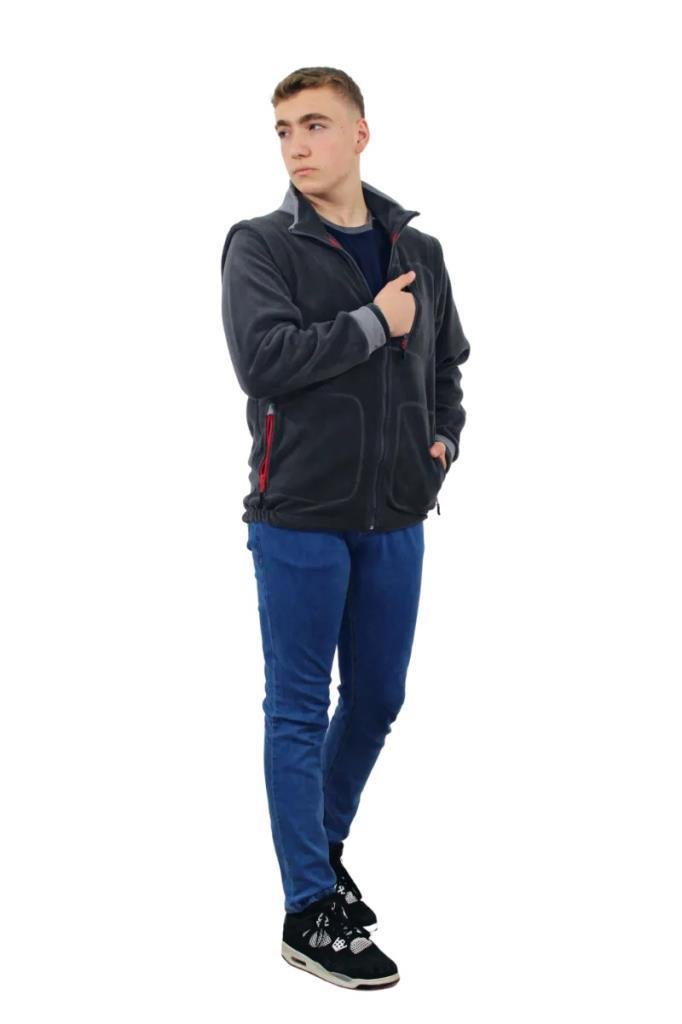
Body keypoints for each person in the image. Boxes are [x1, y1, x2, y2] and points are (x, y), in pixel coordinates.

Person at [220, 66, 470, 990]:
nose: (296, 144)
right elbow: (263, 360)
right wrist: (372, 322)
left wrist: (442, 442)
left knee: (377, 698)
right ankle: (307, 908)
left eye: (315, 124)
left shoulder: (420, 249)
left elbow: (448, 364)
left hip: (396, 510)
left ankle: (319, 855)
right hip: (298, 515)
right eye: (284, 129)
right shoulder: (260, 245)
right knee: (298, 707)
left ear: (361, 133)